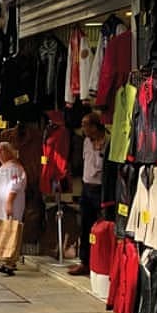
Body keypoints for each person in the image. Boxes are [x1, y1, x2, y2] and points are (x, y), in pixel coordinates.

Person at [69, 112, 107, 276]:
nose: (83, 129)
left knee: (103, 226)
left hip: (100, 188)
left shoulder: (106, 142)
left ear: (94, 126)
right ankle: (85, 261)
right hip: (87, 187)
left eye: (86, 125)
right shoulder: (86, 142)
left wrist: (99, 151)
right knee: (85, 226)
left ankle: (102, 262)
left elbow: (102, 167)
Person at [0, 141, 27, 276]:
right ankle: (8, 261)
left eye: (1, 151)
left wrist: (9, 202)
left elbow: (15, 185)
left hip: (10, 205)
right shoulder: (6, 167)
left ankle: (9, 262)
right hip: (2, 207)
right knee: (6, 232)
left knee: (12, 232)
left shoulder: (14, 168)